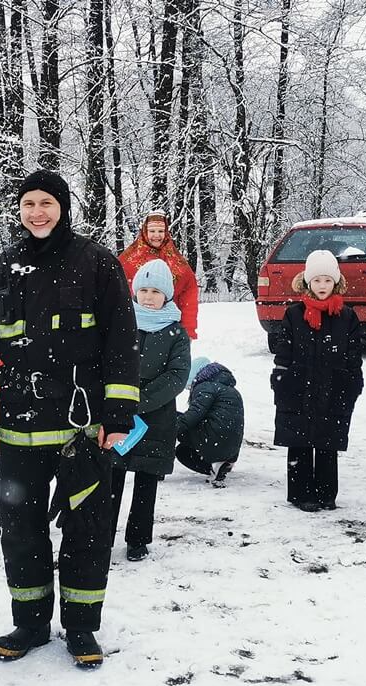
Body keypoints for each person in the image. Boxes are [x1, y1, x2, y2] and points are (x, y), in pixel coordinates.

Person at [0, 169, 139, 667]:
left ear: (63, 207)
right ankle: (30, 623)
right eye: (28, 203)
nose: (37, 213)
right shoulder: (1, 269)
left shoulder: (97, 264)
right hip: (19, 426)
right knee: (20, 530)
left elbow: (122, 343)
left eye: (47, 203)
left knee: (88, 529)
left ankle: (81, 627)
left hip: (83, 430)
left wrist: (119, 411)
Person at [108, 259, 190, 562]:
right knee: (112, 477)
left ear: (167, 295)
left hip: (157, 419)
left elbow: (177, 376)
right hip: (118, 414)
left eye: (156, 291)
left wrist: (139, 400)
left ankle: (138, 539)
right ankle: (102, 535)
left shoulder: (176, 332)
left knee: (146, 480)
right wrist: (119, 397)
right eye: (143, 289)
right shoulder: (120, 322)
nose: (148, 296)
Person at [271, 249, 363, 512]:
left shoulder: (346, 316)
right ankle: (301, 493)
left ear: (336, 282)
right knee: (299, 441)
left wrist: (352, 380)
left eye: (327, 280)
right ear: (307, 282)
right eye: (317, 280)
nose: (322, 286)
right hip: (298, 386)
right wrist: (281, 377)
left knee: (327, 442)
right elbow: (283, 350)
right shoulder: (294, 314)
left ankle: (326, 493)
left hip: (334, 386)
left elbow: (353, 353)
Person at [118, 210, 199, 340]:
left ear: (166, 232)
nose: (156, 235)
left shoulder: (177, 262)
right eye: (152, 231)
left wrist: (188, 331)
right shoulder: (128, 260)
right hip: (134, 327)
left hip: (168, 328)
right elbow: (116, 293)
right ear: (145, 231)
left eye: (161, 231)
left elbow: (189, 296)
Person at [175, 357, 244, 488]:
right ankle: (222, 464)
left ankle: (211, 467)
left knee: (181, 450)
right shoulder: (232, 390)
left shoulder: (206, 387)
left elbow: (194, 415)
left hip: (213, 441)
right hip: (231, 449)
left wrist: (170, 429)